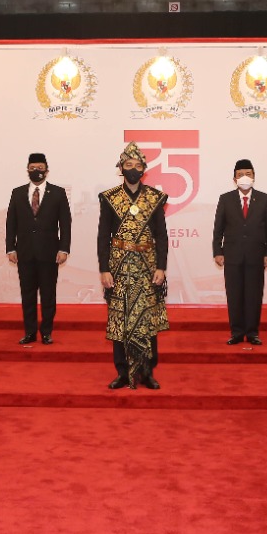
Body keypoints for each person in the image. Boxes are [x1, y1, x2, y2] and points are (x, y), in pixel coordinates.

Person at [98, 142, 169, 390]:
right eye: (128, 165)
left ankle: (147, 372)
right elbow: (103, 236)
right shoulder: (110, 198)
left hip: (147, 267)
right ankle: (122, 372)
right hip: (118, 266)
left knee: (147, 318)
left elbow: (161, 236)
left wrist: (161, 267)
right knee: (120, 318)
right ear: (121, 168)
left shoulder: (154, 198)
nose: (133, 169)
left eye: (138, 165)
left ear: (144, 170)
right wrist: (104, 268)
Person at [5, 153, 72, 345]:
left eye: (40, 168)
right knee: (28, 294)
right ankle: (30, 332)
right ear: (27, 170)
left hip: (50, 253)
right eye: (33, 168)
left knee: (48, 294)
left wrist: (64, 249)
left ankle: (47, 332)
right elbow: (11, 222)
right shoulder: (17, 193)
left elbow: (65, 223)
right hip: (24, 252)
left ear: (47, 171)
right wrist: (10, 248)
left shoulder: (58, 193)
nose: (37, 171)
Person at [212, 158, 267, 345]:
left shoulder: (264, 199)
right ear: (234, 179)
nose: (244, 177)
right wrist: (217, 251)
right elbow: (218, 229)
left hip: (257, 255)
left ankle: (252, 332)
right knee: (234, 295)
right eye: (240, 175)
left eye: (248, 174)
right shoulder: (225, 199)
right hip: (232, 255)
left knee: (254, 295)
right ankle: (237, 332)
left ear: (254, 177)